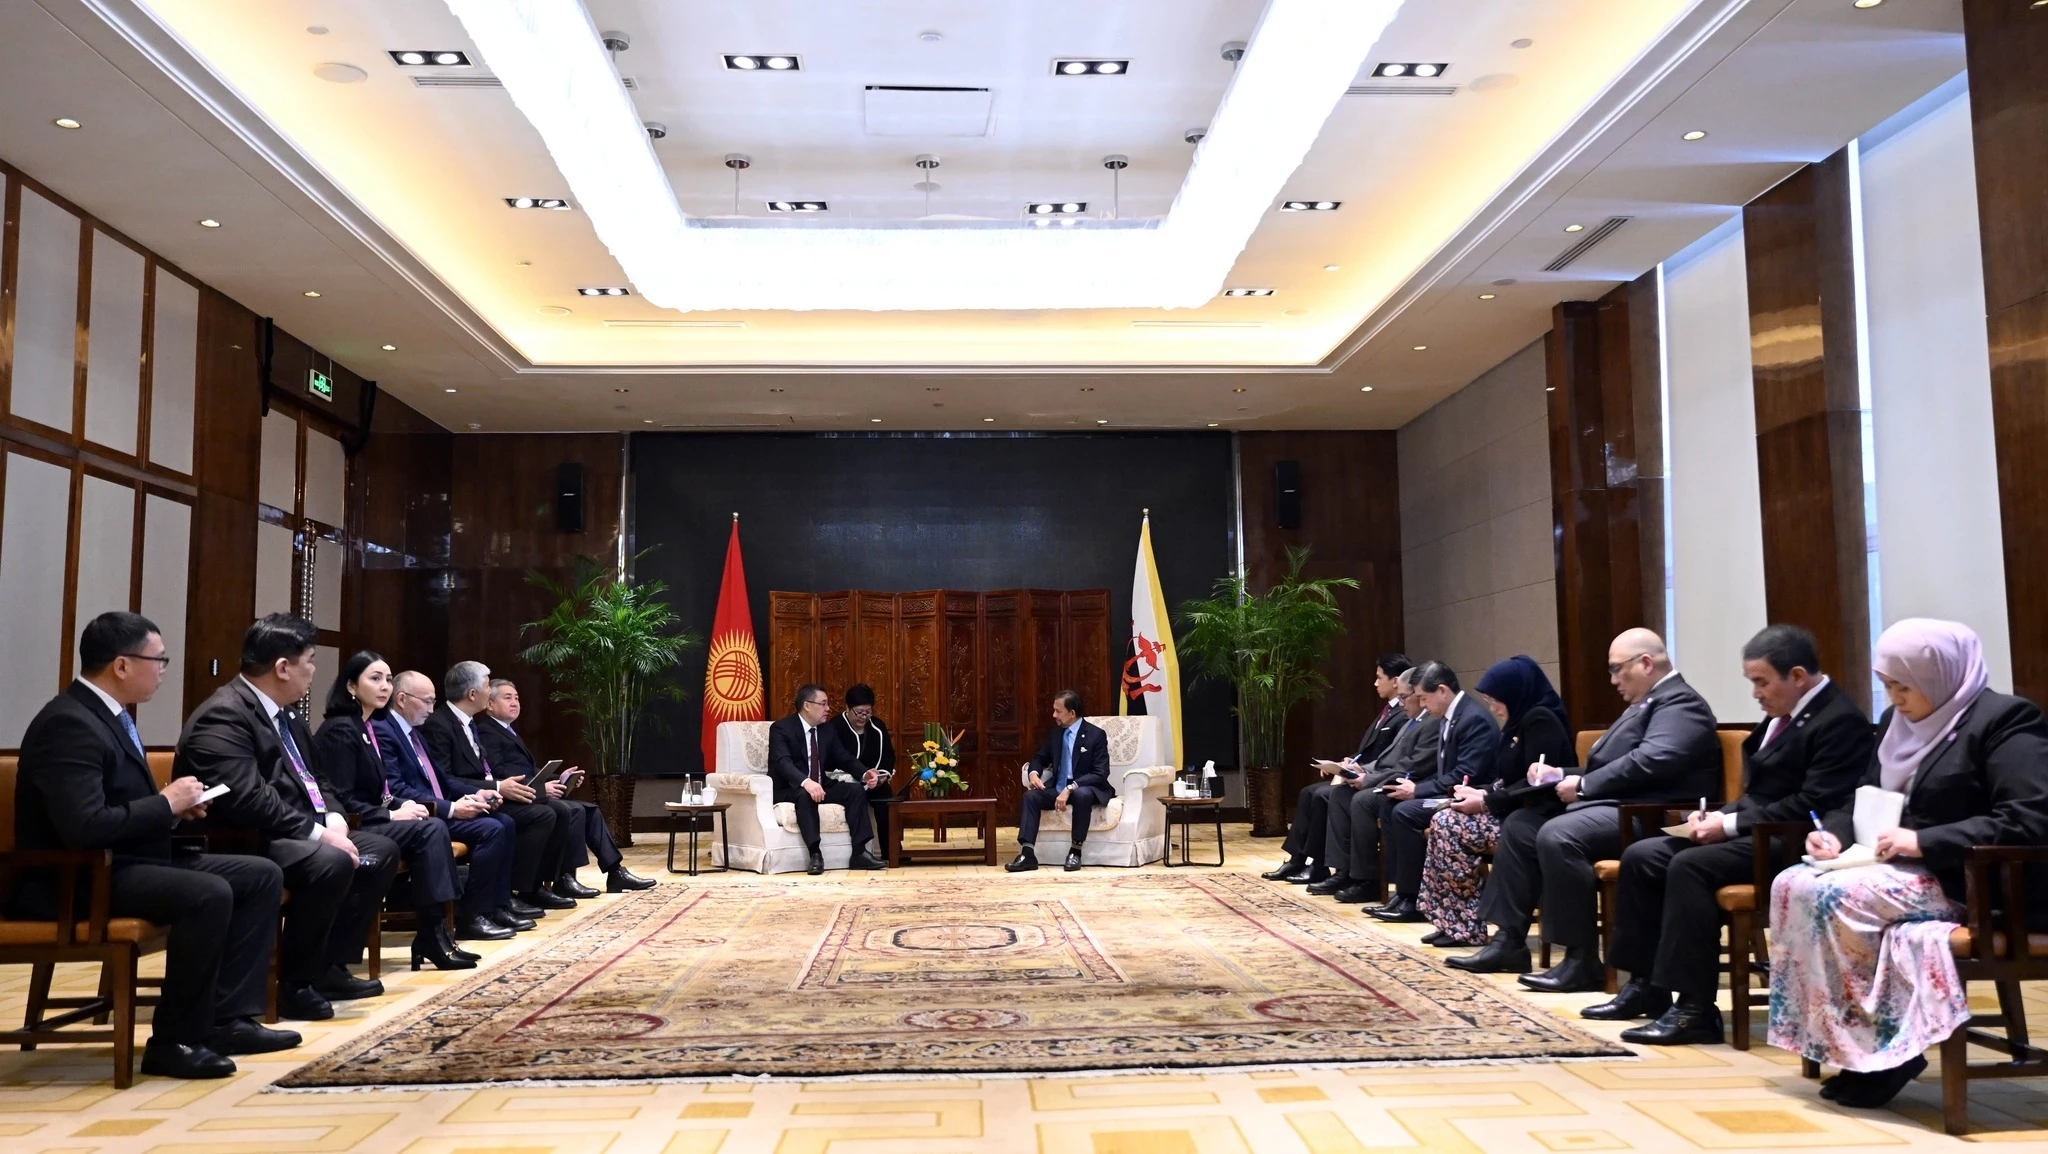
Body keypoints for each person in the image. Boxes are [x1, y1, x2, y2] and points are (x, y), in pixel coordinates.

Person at [1770, 619, 2048, 1109]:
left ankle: (1891, 1050)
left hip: (1975, 879)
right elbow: (1863, 796)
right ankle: (1847, 1045)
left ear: (1941, 676)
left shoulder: (2006, 722)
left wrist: (1924, 840)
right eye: (1887, 685)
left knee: (1838, 896)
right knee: (1793, 883)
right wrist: (1833, 834)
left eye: (1904, 686)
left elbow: (2030, 818)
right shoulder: (1897, 723)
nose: (1895, 698)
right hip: (1904, 869)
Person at [9, 611, 294, 1079]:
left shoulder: (109, 715)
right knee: (207, 894)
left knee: (260, 874)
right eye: (158, 659)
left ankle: (228, 1019)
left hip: (125, 862)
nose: (163, 669)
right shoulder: (69, 723)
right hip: (74, 881)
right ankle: (175, 1040)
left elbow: (119, 808)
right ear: (122, 665)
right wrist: (164, 804)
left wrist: (175, 811)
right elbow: (83, 827)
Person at [1592, 625, 1870, 1043]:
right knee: (1643, 856)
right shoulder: (1785, 712)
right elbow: (1759, 794)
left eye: (1761, 682)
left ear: (1797, 676)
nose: (1755, 693)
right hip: (1759, 829)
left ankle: (1695, 1009)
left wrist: (1728, 825)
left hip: (1795, 842)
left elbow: (1812, 803)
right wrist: (1716, 817)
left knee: (1690, 866)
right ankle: (1645, 985)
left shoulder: (1839, 720)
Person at [1450, 628, 1719, 988]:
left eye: (1617, 669)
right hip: (1620, 806)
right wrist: (1561, 774)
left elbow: (1652, 761)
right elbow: (1612, 766)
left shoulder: (1679, 703)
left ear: (1645, 663)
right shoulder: (1647, 703)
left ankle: (1581, 959)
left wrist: (1583, 785)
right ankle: (1509, 940)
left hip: (1651, 814)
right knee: (1521, 824)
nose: (1613, 680)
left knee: (1559, 835)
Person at [175, 614, 399, 1021]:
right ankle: (296, 983)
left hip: (291, 829)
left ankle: (328, 964)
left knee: (380, 850)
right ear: (283, 667)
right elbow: (247, 797)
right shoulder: (224, 714)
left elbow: (318, 777)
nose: (313, 671)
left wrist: (333, 816)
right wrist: (316, 833)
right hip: (246, 837)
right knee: (329, 861)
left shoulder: (288, 716)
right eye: (310, 661)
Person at [312, 652, 485, 971]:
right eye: (375, 678)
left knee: (428, 822)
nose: (384, 686)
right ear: (351, 686)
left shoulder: (365, 727)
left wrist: (401, 805)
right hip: (352, 825)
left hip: (372, 816)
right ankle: (433, 933)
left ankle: (437, 932)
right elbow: (341, 799)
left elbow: (380, 791)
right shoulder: (341, 730)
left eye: (389, 679)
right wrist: (391, 815)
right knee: (431, 829)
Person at [1418, 656, 1574, 949]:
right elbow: (1508, 778)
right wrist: (1479, 793)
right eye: (1488, 701)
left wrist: (1487, 801)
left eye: (1495, 700)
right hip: (1512, 808)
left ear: (1515, 693)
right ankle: (1450, 921)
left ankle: (1464, 925)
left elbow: (1535, 784)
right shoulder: (1518, 721)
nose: (1492, 707)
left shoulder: (1541, 720)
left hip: (1538, 815)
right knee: (1444, 817)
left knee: (1448, 824)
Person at [377, 671, 526, 939]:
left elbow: (442, 779)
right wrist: (451, 808)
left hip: (437, 807)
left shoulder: (413, 732)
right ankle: (473, 916)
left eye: (433, 702)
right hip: (420, 814)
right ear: (402, 699)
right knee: (492, 829)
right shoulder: (384, 731)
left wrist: (479, 794)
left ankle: (496, 906)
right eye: (427, 701)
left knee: (504, 822)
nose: (431, 709)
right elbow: (396, 788)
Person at [420, 661, 574, 912]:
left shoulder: (468, 722)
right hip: (460, 801)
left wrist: (496, 788)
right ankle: (509, 895)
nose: (488, 691)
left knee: (557, 809)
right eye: (486, 686)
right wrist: (497, 787)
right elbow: (443, 778)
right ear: (472, 694)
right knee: (538, 815)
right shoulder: (440, 724)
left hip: (485, 795)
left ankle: (528, 889)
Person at [478, 678, 653, 894]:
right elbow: (499, 773)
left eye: (517, 698)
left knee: (591, 810)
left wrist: (559, 778)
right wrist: (541, 789)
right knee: (574, 810)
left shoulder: (507, 730)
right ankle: (565, 878)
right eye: (508, 698)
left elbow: (528, 770)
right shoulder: (487, 732)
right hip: (515, 799)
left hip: (530, 793)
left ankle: (615, 871)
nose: (515, 703)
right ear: (489, 704)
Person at [1371, 661, 1502, 923]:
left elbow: (1465, 775)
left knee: (1406, 812)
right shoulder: (1450, 715)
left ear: (1442, 690)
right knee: (1389, 804)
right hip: (1451, 790)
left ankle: (1413, 899)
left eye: (1423, 697)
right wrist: (1412, 787)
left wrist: (1418, 790)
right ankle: (1404, 891)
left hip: (1472, 796)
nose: (1421, 704)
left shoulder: (1473, 719)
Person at [1265, 655, 1413, 885]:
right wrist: (1349, 762)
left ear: (1395, 681)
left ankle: (1321, 865)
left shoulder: (1404, 715)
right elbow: (1371, 751)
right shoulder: (1388, 711)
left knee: (1322, 795)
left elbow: (1389, 758)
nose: (1374, 683)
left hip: (1375, 778)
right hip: (1364, 771)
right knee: (1308, 792)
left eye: (1378, 677)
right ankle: (1297, 858)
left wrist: (1358, 769)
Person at [1312, 667, 1433, 902]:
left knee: (1362, 800)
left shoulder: (1428, 723)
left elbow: (1407, 767)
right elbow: (1387, 760)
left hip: (1407, 784)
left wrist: (1367, 779)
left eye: (1405, 697)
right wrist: (1362, 770)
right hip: (1384, 777)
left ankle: (1367, 878)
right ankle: (1344, 870)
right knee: (1339, 794)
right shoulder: (1411, 721)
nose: (1402, 703)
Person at [768, 684, 888, 875]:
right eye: (823, 704)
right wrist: (806, 782)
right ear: (807, 705)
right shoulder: (782, 728)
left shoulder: (826, 730)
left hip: (821, 785)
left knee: (855, 790)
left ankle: (859, 853)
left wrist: (865, 774)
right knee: (805, 794)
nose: (828, 708)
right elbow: (783, 763)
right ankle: (815, 853)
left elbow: (844, 757)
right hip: (790, 789)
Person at [1007, 689, 1111, 873]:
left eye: (1058, 711)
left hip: (1085, 788)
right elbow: (1039, 757)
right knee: (1031, 797)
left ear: (1072, 713)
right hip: (1057, 787)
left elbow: (1100, 773)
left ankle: (1075, 851)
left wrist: (1070, 788)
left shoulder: (1096, 735)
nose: (1053, 715)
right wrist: (1033, 774)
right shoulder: (1056, 733)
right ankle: (1027, 854)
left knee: (1082, 794)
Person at [824, 683, 897, 850]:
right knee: (856, 795)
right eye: (859, 712)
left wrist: (882, 775)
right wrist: (862, 775)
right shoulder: (833, 727)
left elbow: (888, 754)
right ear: (847, 708)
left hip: (874, 780)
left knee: (886, 800)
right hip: (844, 781)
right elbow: (837, 759)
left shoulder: (877, 726)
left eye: (868, 712)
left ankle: (891, 851)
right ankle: (861, 852)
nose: (864, 717)